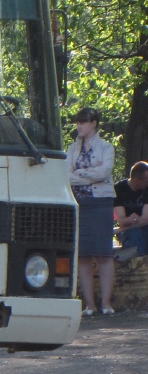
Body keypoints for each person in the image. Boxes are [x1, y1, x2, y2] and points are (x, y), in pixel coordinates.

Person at [67, 107, 117, 316]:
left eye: (83, 122)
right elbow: (66, 175)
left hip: (101, 202)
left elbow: (105, 172)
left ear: (94, 123)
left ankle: (106, 303)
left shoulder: (106, 147)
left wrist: (80, 173)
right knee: (83, 256)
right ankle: (90, 304)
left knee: (104, 254)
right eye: (77, 122)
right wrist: (88, 176)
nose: (79, 126)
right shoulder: (71, 149)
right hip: (79, 202)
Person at [114, 161, 148, 261]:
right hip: (128, 231)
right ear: (137, 180)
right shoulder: (119, 189)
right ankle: (143, 264)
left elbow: (145, 220)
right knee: (134, 234)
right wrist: (127, 222)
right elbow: (121, 220)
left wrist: (125, 225)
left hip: (138, 228)